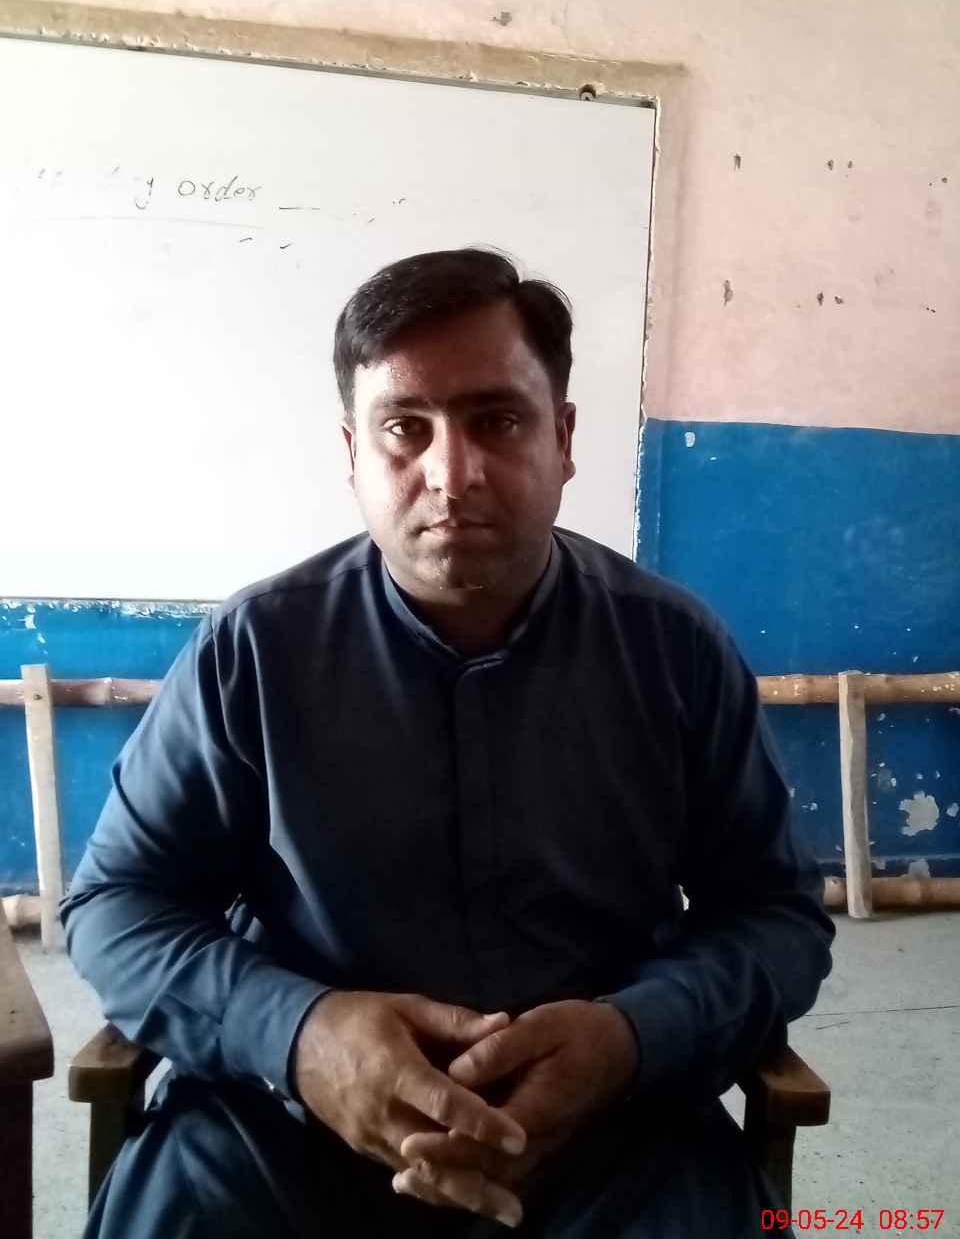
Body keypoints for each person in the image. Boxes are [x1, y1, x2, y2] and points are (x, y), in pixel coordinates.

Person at [61, 246, 834, 1238]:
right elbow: (118, 903)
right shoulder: (252, 650)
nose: (451, 473)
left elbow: (776, 916)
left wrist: (632, 1036)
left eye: (497, 421)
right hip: (288, 1119)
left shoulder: (674, 651)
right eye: (405, 428)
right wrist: (298, 1032)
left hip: (610, 1125)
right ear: (353, 453)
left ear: (562, 438)